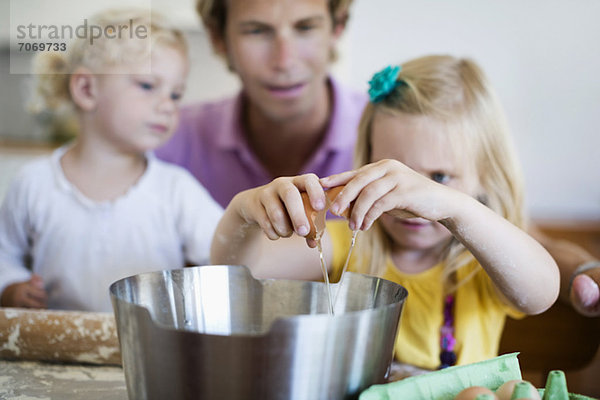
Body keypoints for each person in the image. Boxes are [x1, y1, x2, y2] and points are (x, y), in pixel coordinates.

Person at [210, 55, 560, 370]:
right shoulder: (350, 243)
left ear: (486, 178)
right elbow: (240, 272)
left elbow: (540, 293)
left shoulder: (481, 259)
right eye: (394, 174)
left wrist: (452, 207)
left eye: (439, 177)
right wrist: (243, 213)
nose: (413, 200)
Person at [0, 9, 223, 312]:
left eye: (175, 94)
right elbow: (5, 256)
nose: (167, 106)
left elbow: (225, 253)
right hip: (55, 350)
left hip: (148, 352)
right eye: (147, 85)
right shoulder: (33, 183)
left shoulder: (176, 189)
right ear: (86, 89)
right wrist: (11, 287)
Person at [155, 0, 367, 208]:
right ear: (218, 37)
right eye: (256, 31)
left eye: (306, 27)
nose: (285, 62)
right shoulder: (163, 141)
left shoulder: (392, 137)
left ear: (337, 27)